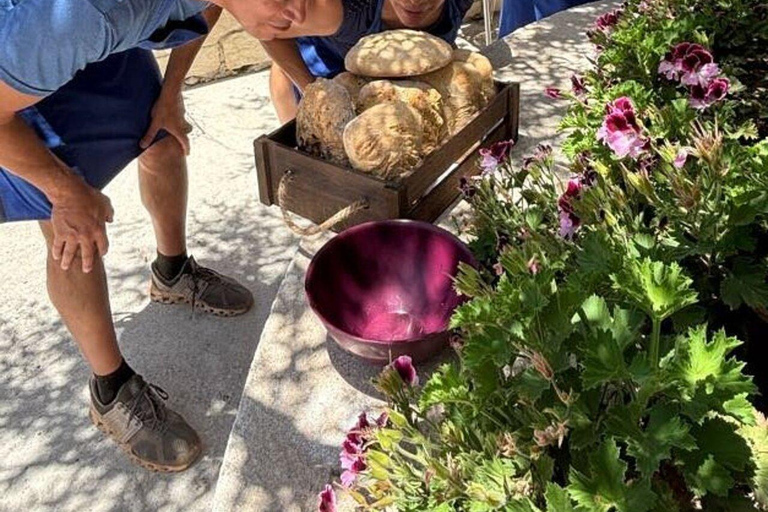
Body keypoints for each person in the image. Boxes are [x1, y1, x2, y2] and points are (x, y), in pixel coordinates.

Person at [0, 0, 307, 472]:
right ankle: (110, 388)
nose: (296, 16)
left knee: (161, 139)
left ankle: (173, 272)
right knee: (71, 222)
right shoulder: (80, 18)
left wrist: (171, 92)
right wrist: (63, 190)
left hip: (93, 40)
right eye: (285, 2)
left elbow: (213, 8)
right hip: (15, 73)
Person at [262, 0, 476, 123]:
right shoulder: (346, 10)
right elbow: (267, 30)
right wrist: (312, 92)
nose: (415, 1)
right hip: (322, 73)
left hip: (390, 94)